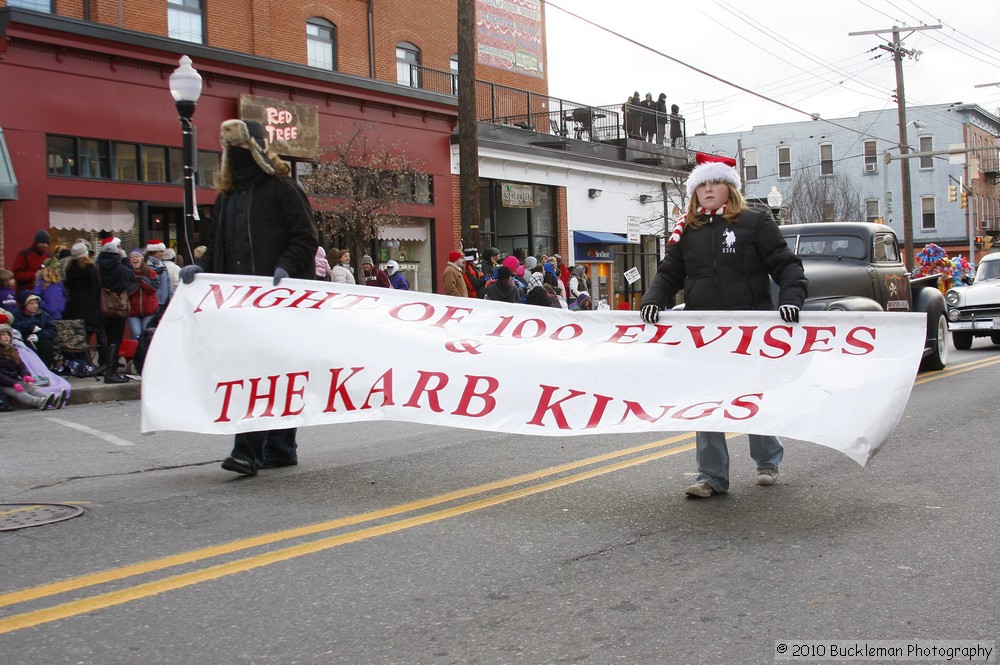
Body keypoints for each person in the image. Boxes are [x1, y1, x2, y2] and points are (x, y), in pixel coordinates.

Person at [638, 152, 807, 499]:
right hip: (706, 332)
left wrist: (791, 298)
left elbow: (786, 265)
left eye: (715, 182)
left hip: (750, 327)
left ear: (730, 187)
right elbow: (670, 273)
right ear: (694, 192)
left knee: (751, 396)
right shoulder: (688, 231)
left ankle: (767, 461)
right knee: (708, 401)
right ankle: (711, 477)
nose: (708, 190)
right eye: (702, 185)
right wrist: (654, 299)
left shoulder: (756, 223)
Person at [179, 118, 318, 477]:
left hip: (276, 302)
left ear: (256, 148)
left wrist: (285, 267)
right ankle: (280, 447)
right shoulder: (226, 197)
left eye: (241, 147)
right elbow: (219, 247)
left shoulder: (282, 189)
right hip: (238, 305)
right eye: (230, 149)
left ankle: (247, 451)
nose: (235, 155)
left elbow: (305, 237)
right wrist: (202, 269)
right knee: (263, 374)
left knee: (262, 373)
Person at [96, 237, 135, 384]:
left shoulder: (97, 267)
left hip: (102, 306)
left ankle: (106, 367)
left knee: (106, 338)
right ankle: (110, 372)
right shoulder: (120, 268)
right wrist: (125, 259)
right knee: (115, 340)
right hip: (117, 308)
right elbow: (131, 278)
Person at [63, 241, 105, 368]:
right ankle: (92, 362)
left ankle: (84, 360)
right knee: (93, 334)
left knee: (80, 335)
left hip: (75, 305)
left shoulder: (69, 268)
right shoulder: (91, 268)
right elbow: (98, 285)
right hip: (90, 305)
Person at [0, 322, 61, 410]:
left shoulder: (12, 350)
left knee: (30, 388)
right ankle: (39, 402)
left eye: (8, 335)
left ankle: (53, 400)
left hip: (15, 380)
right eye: (3, 335)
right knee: (20, 393)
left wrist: (25, 375)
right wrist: (13, 383)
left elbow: (21, 365)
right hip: (4, 384)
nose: (6, 337)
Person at [12, 292, 57, 370]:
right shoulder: (16, 315)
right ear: (24, 304)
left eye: (36, 303)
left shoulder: (43, 315)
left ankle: (45, 369)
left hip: (40, 338)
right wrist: (29, 326)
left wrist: (38, 336)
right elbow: (15, 326)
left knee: (46, 344)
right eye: (32, 303)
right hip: (23, 339)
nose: (35, 305)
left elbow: (52, 330)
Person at [126, 249, 160, 341]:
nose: (134, 259)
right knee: (137, 333)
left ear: (141, 259)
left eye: (137, 257)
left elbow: (153, 288)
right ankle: (136, 353)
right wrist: (137, 283)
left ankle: (145, 354)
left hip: (149, 310)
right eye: (132, 257)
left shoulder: (150, 272)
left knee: (147, 333)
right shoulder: (127, 273)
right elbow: (127, 292)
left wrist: (142, 280)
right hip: (133, 311)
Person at [144, 240, 172, 318]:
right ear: (153, 252)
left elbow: (168, 281)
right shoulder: (146, 265)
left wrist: (171, 295)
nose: (162, 254)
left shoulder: (162, 264)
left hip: (164, 301)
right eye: (160, 252)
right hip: (153, 301)